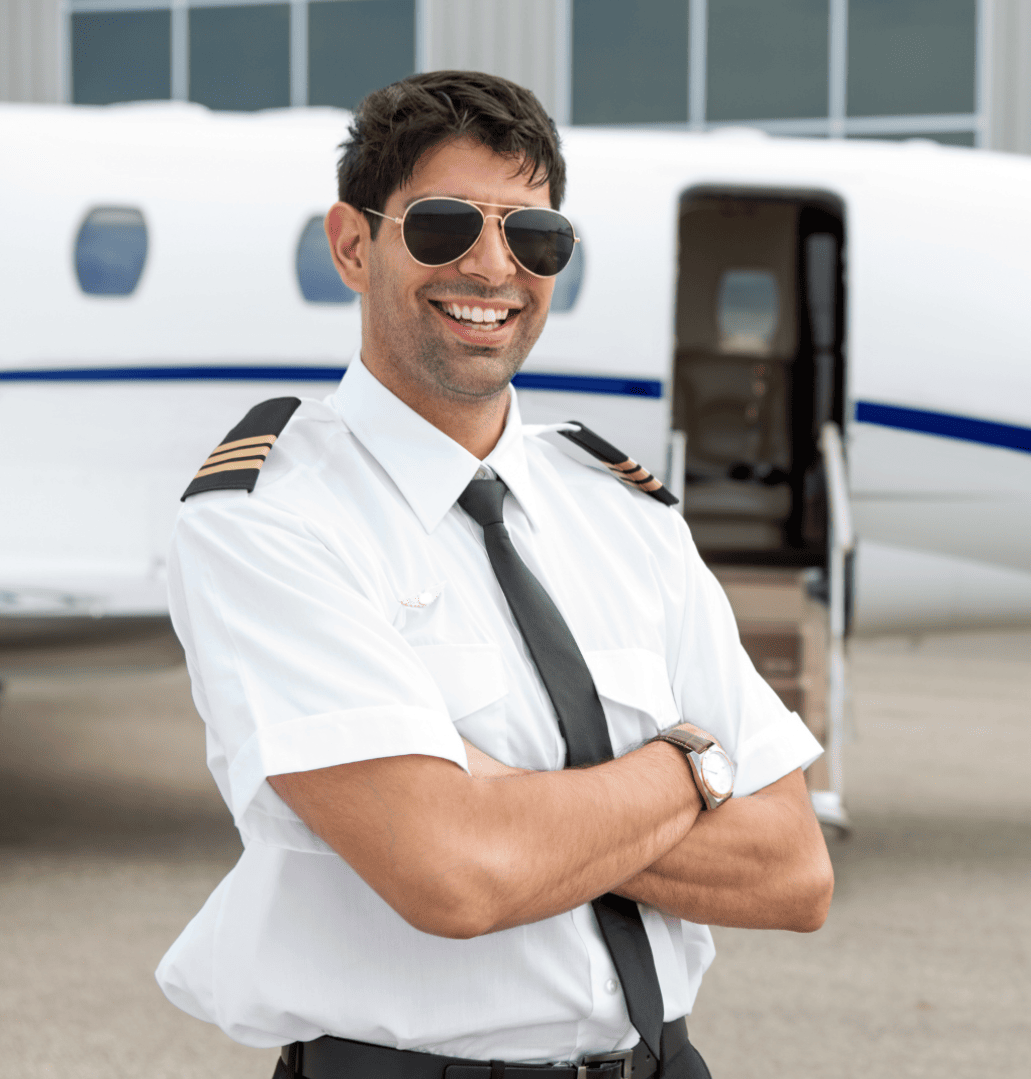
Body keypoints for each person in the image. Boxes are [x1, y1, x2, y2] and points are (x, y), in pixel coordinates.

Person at [156, 70, 834, 1079]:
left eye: (533, 235)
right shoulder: (269, 518)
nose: (490, 266)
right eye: (441, 226)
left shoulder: (622, 510)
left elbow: (792, 868)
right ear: (353, 243)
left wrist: (511, 804)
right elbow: (455, 875)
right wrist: (689, 764)